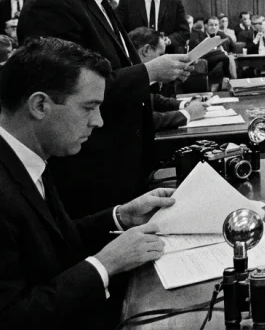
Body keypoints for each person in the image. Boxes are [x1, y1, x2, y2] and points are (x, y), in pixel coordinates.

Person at [17, 0, 193, 219]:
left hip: (121, 163)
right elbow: (70, 91)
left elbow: (117, 67)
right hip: (90, 170)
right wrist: (150, 72)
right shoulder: (55, 1)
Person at [0, 37, 175, 328]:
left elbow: (52, 241)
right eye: (88, 107)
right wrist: (105, 264)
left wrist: (121, 216)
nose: (98, 121)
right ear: (40, 105)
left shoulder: (29, 154)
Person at [130, 27, 206, 136]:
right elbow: (141, 121)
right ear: (146, 50)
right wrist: (187, 113)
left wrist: (185, 104)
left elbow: (152, 99)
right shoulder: (124, 76)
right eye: (161, 55)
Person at [188, 17, 232, 84]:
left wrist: (227, 52)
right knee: (224, 57)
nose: (214, 27)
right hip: (205, 61)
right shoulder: (199, 36)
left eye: (216, 25)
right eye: (211, 25)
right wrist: (220, 51)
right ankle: (228, 78)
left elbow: (233, 46)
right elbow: (198, 53)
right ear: (206, 26)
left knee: (226, 58)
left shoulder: (221, 34)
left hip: (220, 62)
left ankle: (227, 80)